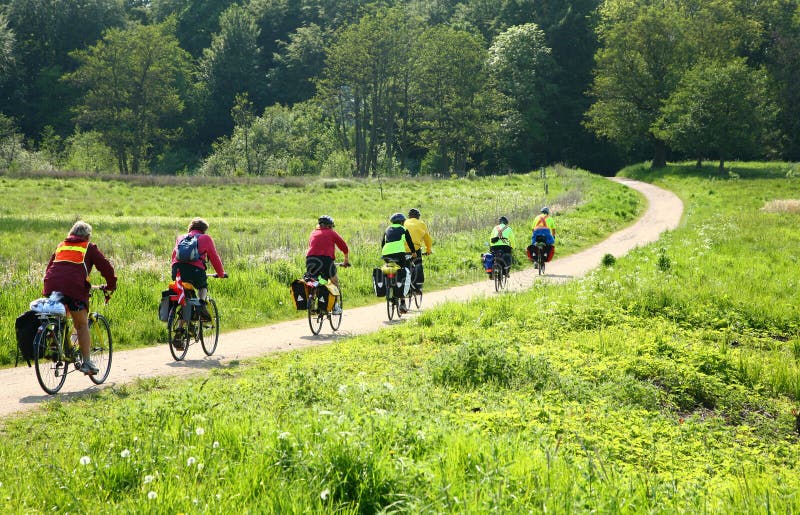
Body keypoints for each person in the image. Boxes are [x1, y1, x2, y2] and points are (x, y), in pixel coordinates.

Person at [42, 221, 117, 375]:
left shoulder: (61, 245)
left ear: (71, 234)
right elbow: (106, 267)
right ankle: (87, 362)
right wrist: (111, 285)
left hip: (52, 286)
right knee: (82, 325)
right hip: (74, 289)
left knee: (61, 316)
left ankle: (55, 341)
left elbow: (50, 268)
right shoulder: (88, 247)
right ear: (87, 236)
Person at [171, 218, 226, 346]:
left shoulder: (181, 237)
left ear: (190, 228)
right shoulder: (205, 238)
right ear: (204, 229)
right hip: (196, 271)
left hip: (177, 271)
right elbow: (214, 256)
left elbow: (174, 256)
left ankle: (179, 331)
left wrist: (176, 274)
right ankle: (201, 305)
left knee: (184, 300)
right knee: (202, 286)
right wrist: (221, 274)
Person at [306, 215, 350, 314]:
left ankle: (311, 302)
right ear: (329, 226)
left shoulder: (313, 233)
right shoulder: (331, 233)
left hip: (310, 260)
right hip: (326, 260)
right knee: (335, 282)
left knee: (314, 280)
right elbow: (344, 246)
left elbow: (311, 246)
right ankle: (335, 307)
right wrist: (346, 260)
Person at [382, 212, 417, 313]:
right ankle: (402, 302)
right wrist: (414, 253)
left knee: (389, 268)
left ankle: (388, 286)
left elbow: (382, 243)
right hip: (399, 254)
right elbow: (409, 242)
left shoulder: (387, 229)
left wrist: (385, 254)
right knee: (403, 272)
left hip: (386, 254)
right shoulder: (403, 229)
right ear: (402, 222)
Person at [403, 208, 433, 292]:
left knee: (404, 266)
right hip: (415, 249)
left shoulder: (404, 222)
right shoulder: (421, 224)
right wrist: (428, 250)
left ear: (409, 216)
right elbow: (427, 238)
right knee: (418, 264)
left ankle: (403, 284)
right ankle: (418, 286)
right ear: (418, 217)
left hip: (402, 248)